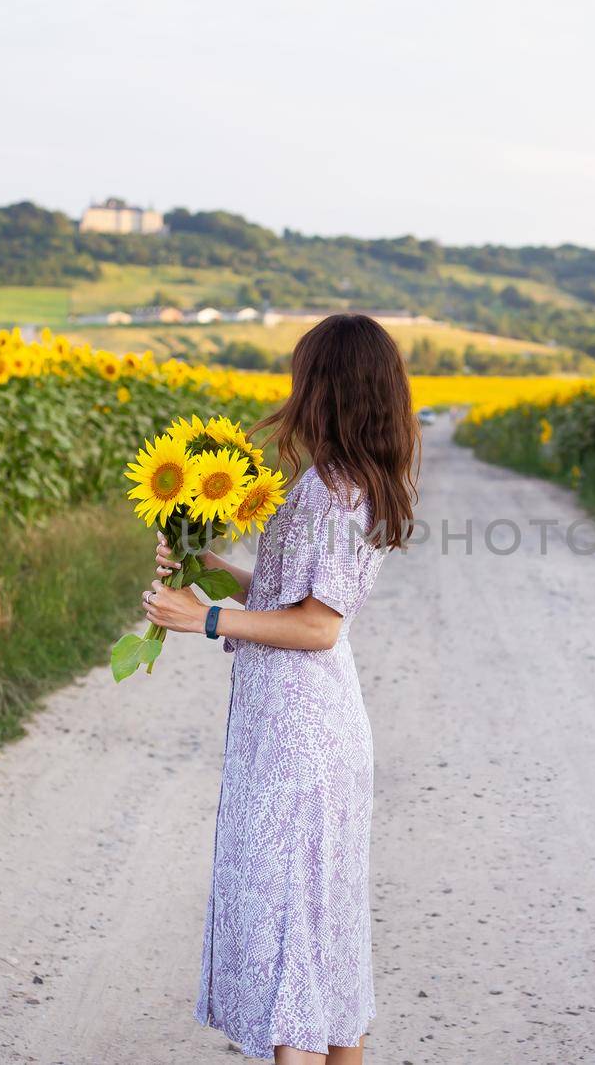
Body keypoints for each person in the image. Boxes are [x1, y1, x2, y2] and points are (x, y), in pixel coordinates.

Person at [143, 314, 420, 1063]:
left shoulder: (333, 496)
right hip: (308, 730)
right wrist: (208, 570)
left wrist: (204, 622)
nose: (293, 394)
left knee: (292, 931)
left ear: (329, 390)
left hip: (300, 739)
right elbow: (283, 595)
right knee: (323, 933)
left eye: (304, 379)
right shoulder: (343, 486)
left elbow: (317, 625)